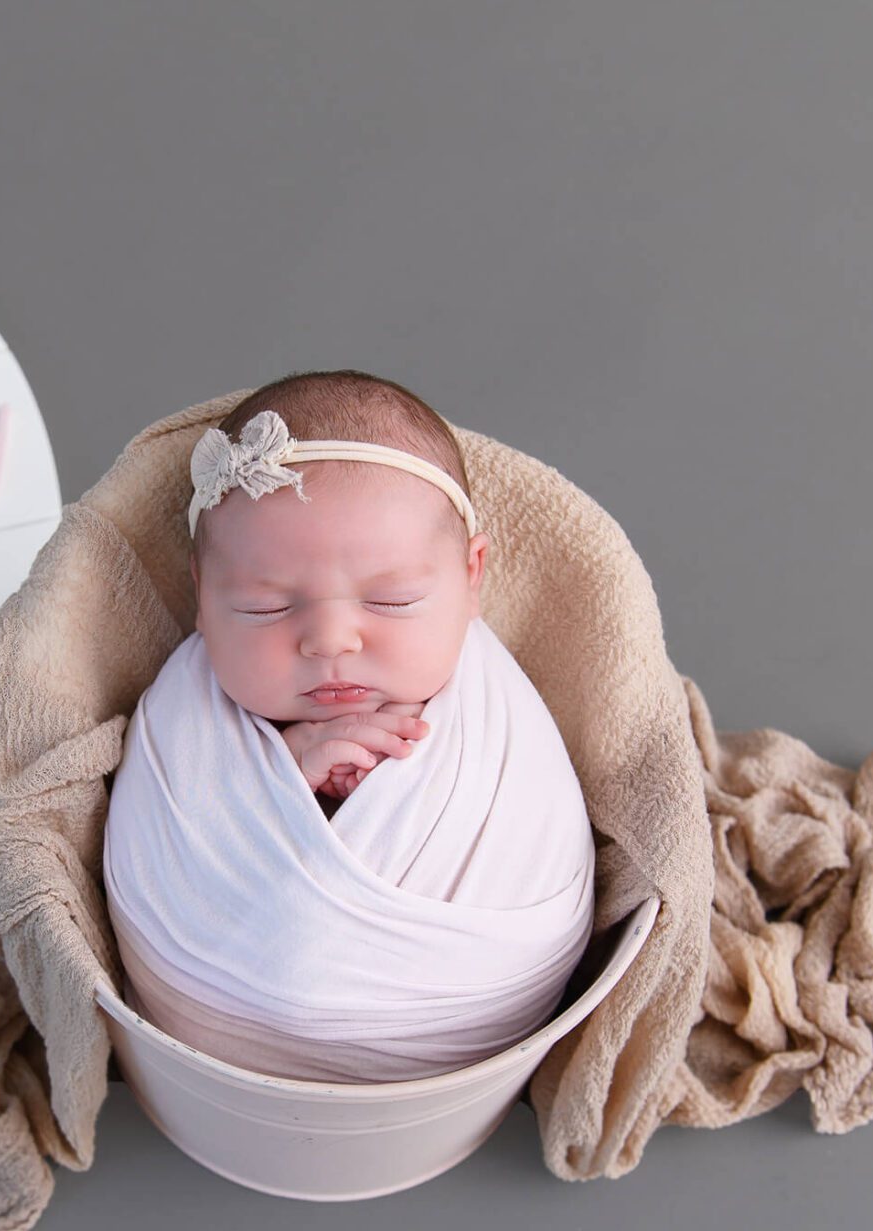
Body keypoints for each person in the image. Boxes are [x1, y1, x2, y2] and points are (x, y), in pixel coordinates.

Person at [100, 370, 598, 1083]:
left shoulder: (495, 718)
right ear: (202, 596)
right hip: (207, 1026)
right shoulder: (183, 713)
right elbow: (170, 845)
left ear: (471, 577)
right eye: (266, 608)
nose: (330, 640)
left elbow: (535, 829)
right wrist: (281, 784)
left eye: (393, 600)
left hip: (482, 1010)